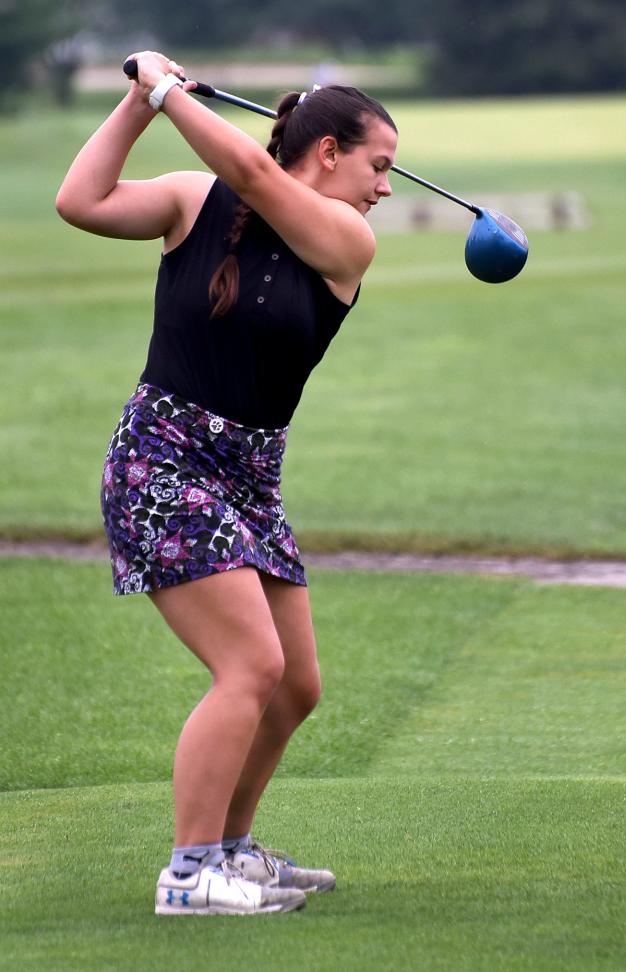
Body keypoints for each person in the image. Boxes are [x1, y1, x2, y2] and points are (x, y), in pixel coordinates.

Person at [55, 50, 398, 916]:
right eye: (377, 167)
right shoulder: (189, 198)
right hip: (161, 459)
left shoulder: (346, 242)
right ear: (327, 152)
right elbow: (80, 201)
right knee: (251, 664)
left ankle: (233, 854)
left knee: (296, 686)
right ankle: (189, 872)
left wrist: (172, 91)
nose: (385, 189)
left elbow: (249, 165)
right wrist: (142, 102)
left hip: (248, 477)